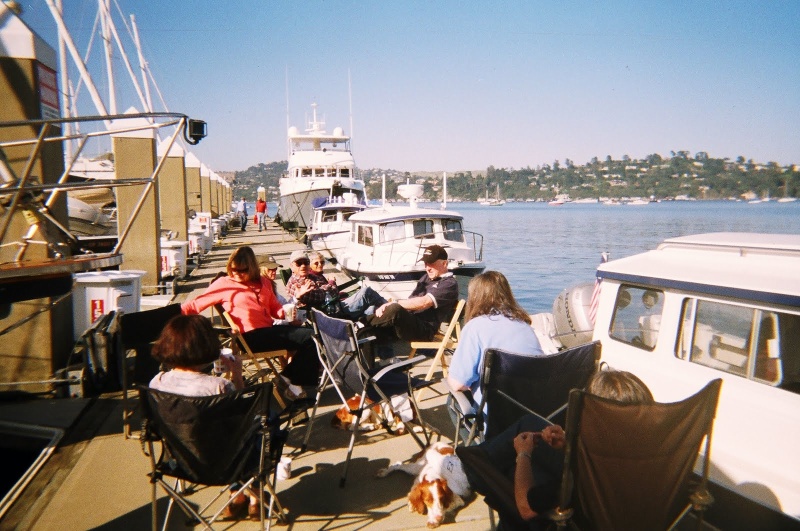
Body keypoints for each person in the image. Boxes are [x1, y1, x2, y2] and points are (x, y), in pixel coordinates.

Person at [467, 369, 654, 529]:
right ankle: (468, 472)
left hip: (566, 518)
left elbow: (526, 508)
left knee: (510, 473)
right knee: (529, 424)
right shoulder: (659, 462)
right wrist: (568, 445)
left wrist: (523, 454)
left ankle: (468, 474)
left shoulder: (586, 476)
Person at [181, 246, 318, 399]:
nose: (236, 274)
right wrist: (168, 317)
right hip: (249, 337)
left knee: (314, 337)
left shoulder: (264, 283)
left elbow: (276, 310)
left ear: (252, 268)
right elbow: (194, 305)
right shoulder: (224, 283)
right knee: (311, 337)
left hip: (268, 331)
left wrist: (289, 316)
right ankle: (292, 384)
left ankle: (288, 380)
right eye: (233, 270)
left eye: (242, 270)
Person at [447, 271, 545, 430]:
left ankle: (481, 452)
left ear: (475, 298)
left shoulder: (475, 327)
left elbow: (458, 384)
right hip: (532, 415)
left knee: (452, 401)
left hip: (497, 420)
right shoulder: (525, 326)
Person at [364, 244, 458, 341]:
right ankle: (361, 328)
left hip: (424, 330)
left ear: (444, 264)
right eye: (426, 264)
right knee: (370, 301)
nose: (428, 268)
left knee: (395, 309)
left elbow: (425, 302)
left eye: (431, 263)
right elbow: (411, 300)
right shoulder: (426, 277)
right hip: (410, 322)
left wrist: (394, 303)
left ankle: (361, 323)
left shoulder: (449, 284)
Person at [149, 314, 244, 395]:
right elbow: (243, 410)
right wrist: (237, 376)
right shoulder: (220, 386)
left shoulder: (157, 382)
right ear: (208, 344)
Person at [305, 250, 389, 319]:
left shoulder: (318, 275)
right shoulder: (313, 278)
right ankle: (386, 304)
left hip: (336, 305)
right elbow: (329, 294)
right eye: (316, 263)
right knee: (366, 292)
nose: (320, 265)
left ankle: (389, 311)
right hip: (337, 310)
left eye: (322, 262)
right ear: (310, 265)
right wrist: (331, 282)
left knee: (372, 308)